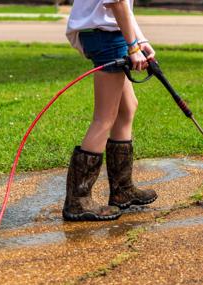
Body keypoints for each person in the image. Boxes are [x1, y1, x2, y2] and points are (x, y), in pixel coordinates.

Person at [63, 0, 157, 221]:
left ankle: (123, 189)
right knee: (104, 118)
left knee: (128, 107)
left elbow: (124, 7)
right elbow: (117, 3)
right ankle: (78, 201)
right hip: (106, 36)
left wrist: (140, 40)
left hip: (110, 34)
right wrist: (133, 46)